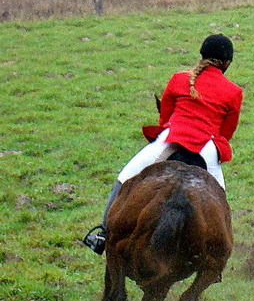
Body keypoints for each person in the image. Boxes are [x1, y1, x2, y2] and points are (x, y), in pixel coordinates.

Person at [82, 33, 243, 255]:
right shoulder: (234, 91)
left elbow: (164, 117)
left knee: (125, 176)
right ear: (226, 63)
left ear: (202, 55)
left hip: (170, 140)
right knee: (219, 201)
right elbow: (227, 132)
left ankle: (102, 233)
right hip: (205, 148)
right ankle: (217, 252)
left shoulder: (179, 78)